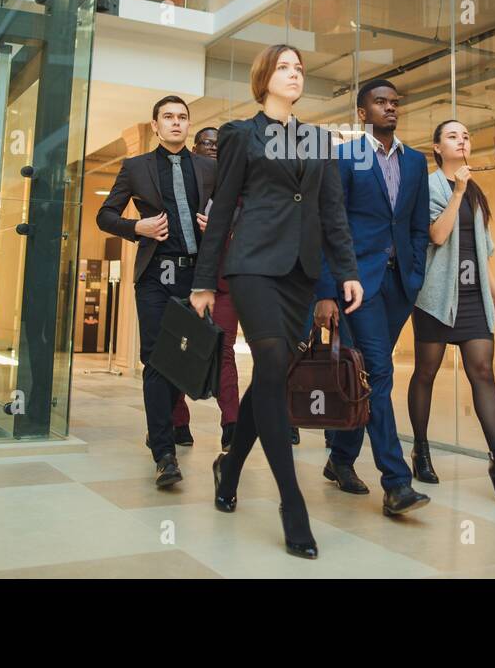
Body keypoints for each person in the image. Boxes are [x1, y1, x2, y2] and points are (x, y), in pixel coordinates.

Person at [191, 44, 363, 560]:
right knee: (268, 363)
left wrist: (347, 273)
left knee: (269, 379)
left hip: (300, 276)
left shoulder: (318, 139)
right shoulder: (240, 134)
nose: (294, 74)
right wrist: (204, 280)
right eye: (284, 68)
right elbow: (222, 210)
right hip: (252, 266)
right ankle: (293, 504)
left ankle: (230, 469)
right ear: (264, 78)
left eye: (299, 68)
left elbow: (332, 211)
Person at [314, 79, 431, 516]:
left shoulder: (416, 163)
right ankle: (396, 482)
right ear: (362, 114)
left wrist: (415, 272)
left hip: (399, 287)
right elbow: (329, 227)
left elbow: (418, 226)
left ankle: (340, 459)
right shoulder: (345, 157)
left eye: (395, 103)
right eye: (380, 103)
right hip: (355, 285)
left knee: (363, 375)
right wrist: (326, 291)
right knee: (379, 372)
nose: (390, 108)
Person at [97, 96, 215, 489]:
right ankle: (164, 454)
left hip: (196, 277)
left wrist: (215, 222)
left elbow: (235, 210)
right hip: (154, 277)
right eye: (169, 117)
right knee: (156, 361)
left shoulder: (209, 167)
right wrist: (137, 228)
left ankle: (161, 427)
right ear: (155, 125)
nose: (177, 123)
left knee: (185, 363)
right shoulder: (136, 167)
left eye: (183, 118)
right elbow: (105, 215)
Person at [409, 119, 495, 498]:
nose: (461, 141)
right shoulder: (428, 186)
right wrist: (457, 191)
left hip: (473, 295)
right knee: (426, 372)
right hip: (436, 296)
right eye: (452, 136)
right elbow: (438, 235)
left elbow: (482, 250)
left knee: (483, 372)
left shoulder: (476, 191)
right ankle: (421, 451)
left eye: (465, 136)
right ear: (437, 148)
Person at [168, 126, 241, 452]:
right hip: (185, 282)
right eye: (207, 143)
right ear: (195, 147)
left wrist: (222, 231)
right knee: (180, 351)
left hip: (224, 284)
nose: (213, 148)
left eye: (218, 145)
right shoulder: (183, 186)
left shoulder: (237, 188)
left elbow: (249, 233)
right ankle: (178, 422)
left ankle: (231, 423)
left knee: (224, 352)